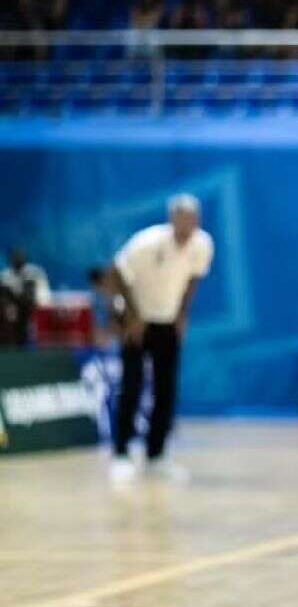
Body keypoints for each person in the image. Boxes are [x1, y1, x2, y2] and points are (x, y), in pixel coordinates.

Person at [108, 194, 214, 484]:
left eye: (193, 219)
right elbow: (116, 271)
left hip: (167, 323)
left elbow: (193, 278)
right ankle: (120, 453)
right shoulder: (147, 243)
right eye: (183, 218)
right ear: (172, 219)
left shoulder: (202, 245)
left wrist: (182, 314)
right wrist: (132, 316)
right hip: (138, 322)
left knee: (165, 389)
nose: (188, 225)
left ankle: (156, 455)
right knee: (132, 385)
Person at [0, 247, 50, 346]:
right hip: (11, 307)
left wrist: (40, 305)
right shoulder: (4, 275)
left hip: (31, 305)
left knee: (28, 288)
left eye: (20, 256)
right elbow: (4, 296)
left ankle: (24, 337)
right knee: (5, 292)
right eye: (15, 257)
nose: (18, 259)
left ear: (26, 258)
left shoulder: (35, 272)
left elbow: (42, 294)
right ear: (10, 259)